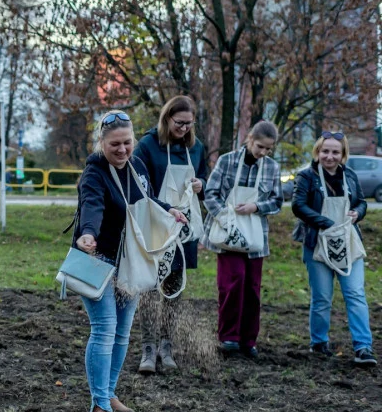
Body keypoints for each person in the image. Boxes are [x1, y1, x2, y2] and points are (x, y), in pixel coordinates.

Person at [73, 110, 185, 412]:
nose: (122, 150)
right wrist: (87, 233)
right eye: (114, 145)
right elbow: (91, 204)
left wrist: (170, 210)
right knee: (105, 328)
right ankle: (99, 406)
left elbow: (145, 201)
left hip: (128, 262)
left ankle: (109, 393)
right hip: (97, 260)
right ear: (101, 143)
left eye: (127, 143)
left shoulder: (135, 167)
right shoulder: (95, 172)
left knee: (123, 331)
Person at [131, 96, 209, 374]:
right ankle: (148, 348)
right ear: (166, 119)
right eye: (180, 123)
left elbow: (204, 177)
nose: (185, 128)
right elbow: (138, 185)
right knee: (150, 289)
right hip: (155, 227)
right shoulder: (147, 146)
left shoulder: (196, 147)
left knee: (174, 290)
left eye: (189, 124)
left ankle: (167, 346)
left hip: (183, 230)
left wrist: (201, 183)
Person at [291, 132, 375, 367]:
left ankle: (363, 347)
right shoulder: (306, 176)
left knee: (355, 294)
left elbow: (361, 201)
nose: (330, 156)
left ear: (343, 154)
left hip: (348, 243)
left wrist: (358, 212)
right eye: (325, 151)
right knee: (322, 298)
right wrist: (325, 222)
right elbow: (298, 206)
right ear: (318, 152)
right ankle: (318, 342)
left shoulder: (349, 176)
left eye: (335, 152)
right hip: (317, 242)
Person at [201, 120, 283, 358]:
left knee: (252, 288)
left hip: (255, 234)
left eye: (269, 149)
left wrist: (256, 206)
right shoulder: (227, 161)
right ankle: (229, 337)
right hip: (228, 232)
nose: (263, 153)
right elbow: (211, 193)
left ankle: (248, 340)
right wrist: (225, 218)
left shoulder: (271, 168)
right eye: (260, 147)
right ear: (249, 139)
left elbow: (277, 201)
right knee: (232, 283)